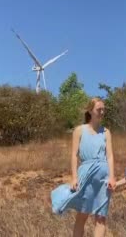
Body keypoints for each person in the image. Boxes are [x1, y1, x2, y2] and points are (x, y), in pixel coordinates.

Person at [51, 98, 117, 237]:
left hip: (103, 179)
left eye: (103, 109)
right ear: (90, 110)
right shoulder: (79, 130)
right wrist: (74, 177)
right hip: (85, 175)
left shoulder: (106, 132)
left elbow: (110, 156)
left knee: (101, 217)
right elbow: (74, 155)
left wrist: (111, 177)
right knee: (83, 214)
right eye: (99, 109)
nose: (102, 112)